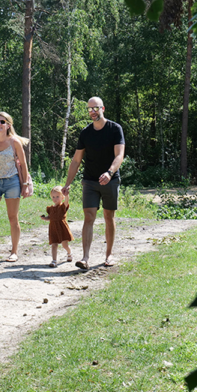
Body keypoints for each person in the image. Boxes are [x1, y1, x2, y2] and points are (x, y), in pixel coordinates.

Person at [61, 96, 125, 270]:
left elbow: (119, 155)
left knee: (108, 217)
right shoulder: (86, 133)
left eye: (95, 108)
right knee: (88, 217)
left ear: (102, 108)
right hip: (89, 181)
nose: (92, 112)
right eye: (89, 109)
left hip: (110, 181)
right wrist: (67, 183)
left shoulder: (115, 129)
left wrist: (109, 173)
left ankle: (109, 254)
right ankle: (85, 258)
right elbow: (76, 160)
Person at [0, 112, 32, 262]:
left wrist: (25, 185)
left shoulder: (14, 142)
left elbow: (24, 164)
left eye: (3, 122)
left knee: (12, 217)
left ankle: (14, 251)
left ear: (9, 125)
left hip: (12, 182)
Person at [41, 185, 73, 267]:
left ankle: (69, 253)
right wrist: (45, 218)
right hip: (53, 228)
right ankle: (54, 260)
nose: (55, 199)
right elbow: (50, 218)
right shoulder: (50, 209)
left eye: (57, 196)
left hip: (62, 228)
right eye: (53, 197)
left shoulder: (63, 207)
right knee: (54, 244)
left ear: (62, 197)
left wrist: (67, 195)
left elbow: (66, 202)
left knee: (64, 244)